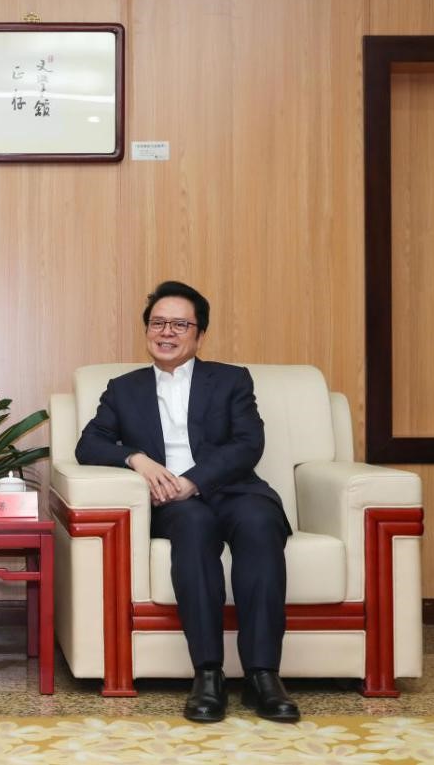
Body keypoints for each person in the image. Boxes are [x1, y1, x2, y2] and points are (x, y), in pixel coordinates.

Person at [75, 281, 299, 723]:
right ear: (146, 330)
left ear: (199, 334)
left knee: (260, 524)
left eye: (180, 324)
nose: (167, 332)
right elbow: (89, 444)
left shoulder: (231, 380)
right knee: (194, 529)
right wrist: (137, 459)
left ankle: (263, 675)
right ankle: (208, 674)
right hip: (172, 504)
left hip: (233, 490)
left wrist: (194, 480)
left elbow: (248, 443)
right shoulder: (123, 389)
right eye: (158, 323)